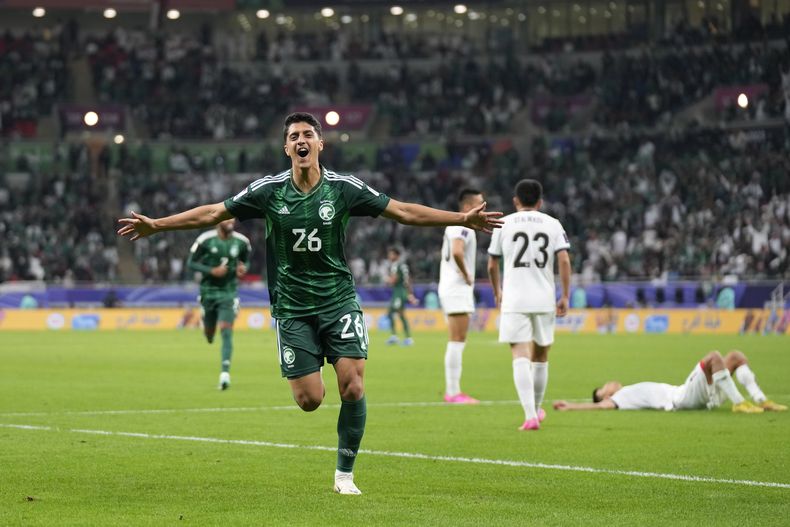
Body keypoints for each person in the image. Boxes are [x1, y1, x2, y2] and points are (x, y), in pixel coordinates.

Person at [117, 112, 503, 496]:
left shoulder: (344, 188)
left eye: (308, 135)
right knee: (309, 400)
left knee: (352, 385)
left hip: (338, 300)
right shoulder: (269, 191)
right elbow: (214, 212)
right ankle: (311, 386)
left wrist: (461, 219)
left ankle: (344, 475)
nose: (301, 141)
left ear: (320, 144)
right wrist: (158, 224)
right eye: (294, 136)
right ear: (286, 148)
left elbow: (402, 211)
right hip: (292, 308)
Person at [487, 179, 571, 431]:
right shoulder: (553, 223)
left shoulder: (504, 222)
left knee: (519, 354)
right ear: (540, 201)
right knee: (541, 355)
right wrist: (565, 295)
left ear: (515, 201)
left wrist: (497, 291)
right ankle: (536, 408)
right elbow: (564, 260)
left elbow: (492, 264)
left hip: (515, 297)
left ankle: (530, 415)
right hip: (544, 297)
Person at [553, 350, 786, 413]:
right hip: (681, 399)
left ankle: (761, 400)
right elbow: (598, 407)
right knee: (713, 357)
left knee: (735, 357)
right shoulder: (619, 398)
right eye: (605, 387)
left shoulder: (628, 391)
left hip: (685, 392)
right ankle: (738, 403)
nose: (610, 383)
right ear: (606, 395)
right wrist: (570, 406)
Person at [186, 218, 251, 390]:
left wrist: (242, 268)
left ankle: (225, 374)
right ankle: (206, 321)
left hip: (229, 293)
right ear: (218, 221)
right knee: (209, 335)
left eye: (233, 217)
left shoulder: (242, 242)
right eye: (227, 218)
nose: (231, 221)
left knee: (226, 330)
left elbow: (246, 261)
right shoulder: (205, 240)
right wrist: (211, 271)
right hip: (208, 292)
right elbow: (191, 262)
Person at [438, 188, 484, 404]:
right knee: (457, 340)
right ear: (467, 207)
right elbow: (457, 251)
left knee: (456, 339)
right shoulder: (463, 225)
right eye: (480, 204)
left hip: (450, 287)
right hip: (456, 287)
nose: (484, 208)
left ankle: (453, 390)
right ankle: (454, 392)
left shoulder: (454, 225)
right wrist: (467, 275)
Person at [385, 246, 418, 346]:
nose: (389, 256)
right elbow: (408, 280)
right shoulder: (403, 265)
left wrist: (387, 279)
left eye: (391, 254)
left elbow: (393, 280)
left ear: (396, 255)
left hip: (398, 292)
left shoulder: (396, 265)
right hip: (402, 292)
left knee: (391, 313)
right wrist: (410, 294)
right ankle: (405, 337)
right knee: (400, 314)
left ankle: (398, 337)